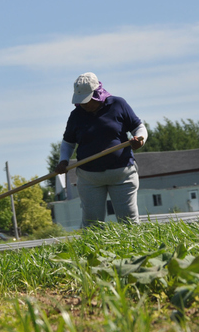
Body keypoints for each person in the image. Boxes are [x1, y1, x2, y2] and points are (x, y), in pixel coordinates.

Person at [55, 72, 147, 227]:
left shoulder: (118, 104)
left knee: (129, 222)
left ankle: (136, 251)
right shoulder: (76, 115)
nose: (83, 104)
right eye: (80, 101)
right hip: (89, 179)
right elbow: (67, 143)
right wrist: (63, 160)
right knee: (92, 224)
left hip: (122, 175)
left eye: (87, 100)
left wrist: (140, 140)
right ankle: (92, 252)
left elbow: (139, 127)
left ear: (97, 94)